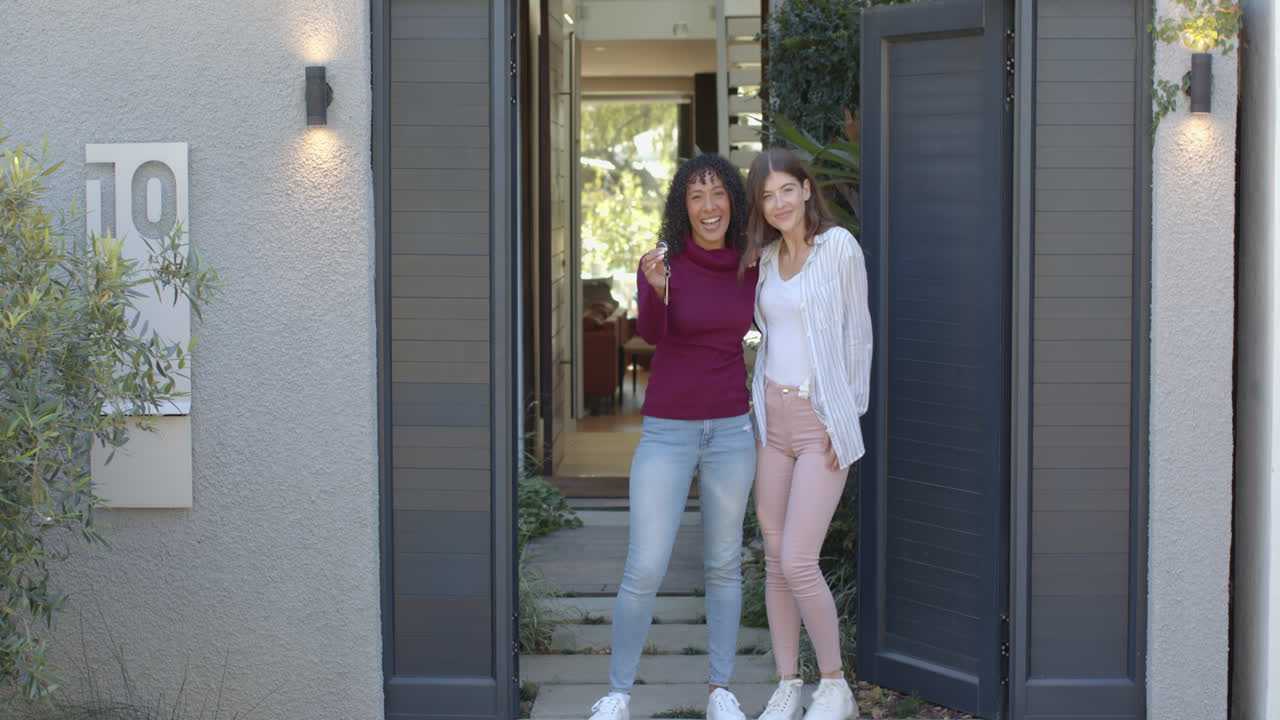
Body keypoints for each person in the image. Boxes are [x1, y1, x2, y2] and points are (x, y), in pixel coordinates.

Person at [588, 154, 760, 720]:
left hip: (732, 429)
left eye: (717, 194)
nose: (709, 206)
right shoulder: (662, 263)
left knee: (722, 563)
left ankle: (721, 692)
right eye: (696, 195)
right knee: (645, 564)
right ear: (681, 207)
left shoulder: (750, 265)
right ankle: (617, 694)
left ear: (732, 200)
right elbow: (653, 335)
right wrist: (657, 287)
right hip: (667, 431)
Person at [743, 148, 872, 720]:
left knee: (798, 558)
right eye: (767, 196)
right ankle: (789, 683)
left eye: (786, 191)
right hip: (772, 421)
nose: (778, 204)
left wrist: (845, 414)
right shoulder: (767, 259)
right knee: (774, 557)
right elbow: (768, 339)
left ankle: (835, 684)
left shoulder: (839, 247)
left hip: (821, 420)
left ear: (805, 187)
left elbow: (858, 339)